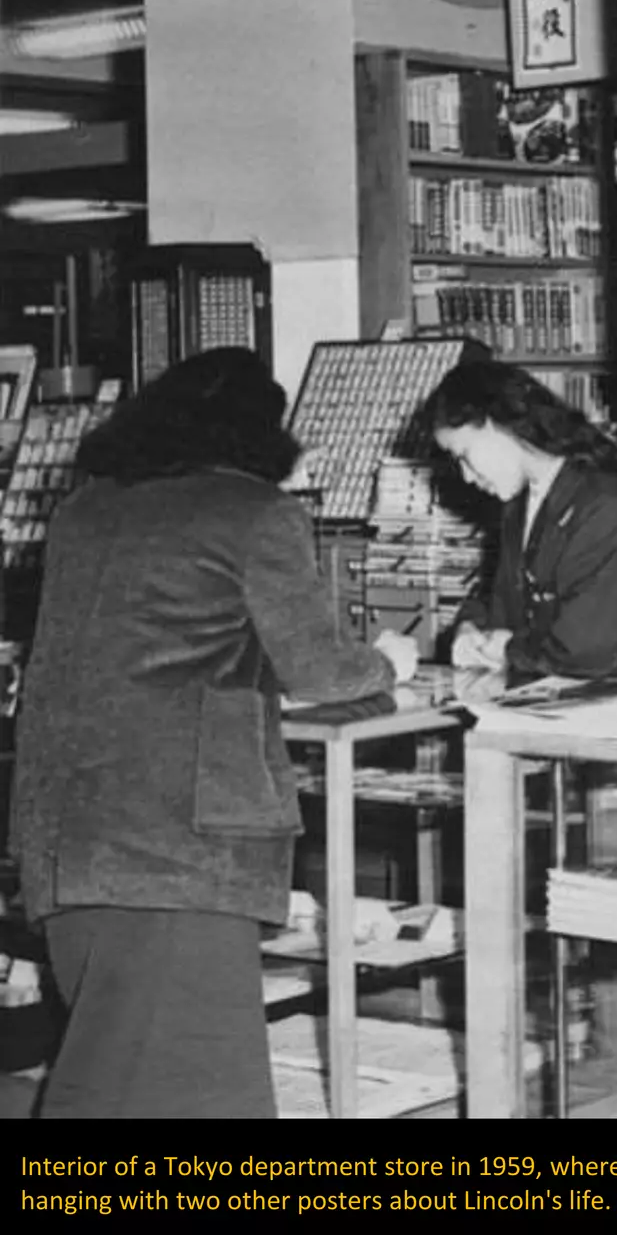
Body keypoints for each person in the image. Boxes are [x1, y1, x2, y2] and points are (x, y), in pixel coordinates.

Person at [9, 348, 416, 1117]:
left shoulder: (86, 509)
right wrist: (387, 661)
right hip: (176, 847)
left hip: (66, 840)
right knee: (187, 1091)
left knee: (107, 1070)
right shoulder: (258, 514)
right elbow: (324, 672)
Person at [428, 360, 617, 685]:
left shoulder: (603, 508)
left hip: (602, 712)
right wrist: (470, 627)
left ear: (498, 425)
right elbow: (499, 597)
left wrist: (508, 650)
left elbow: (587, 650)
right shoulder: (520, 505)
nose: (466, 477)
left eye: (464, 455)